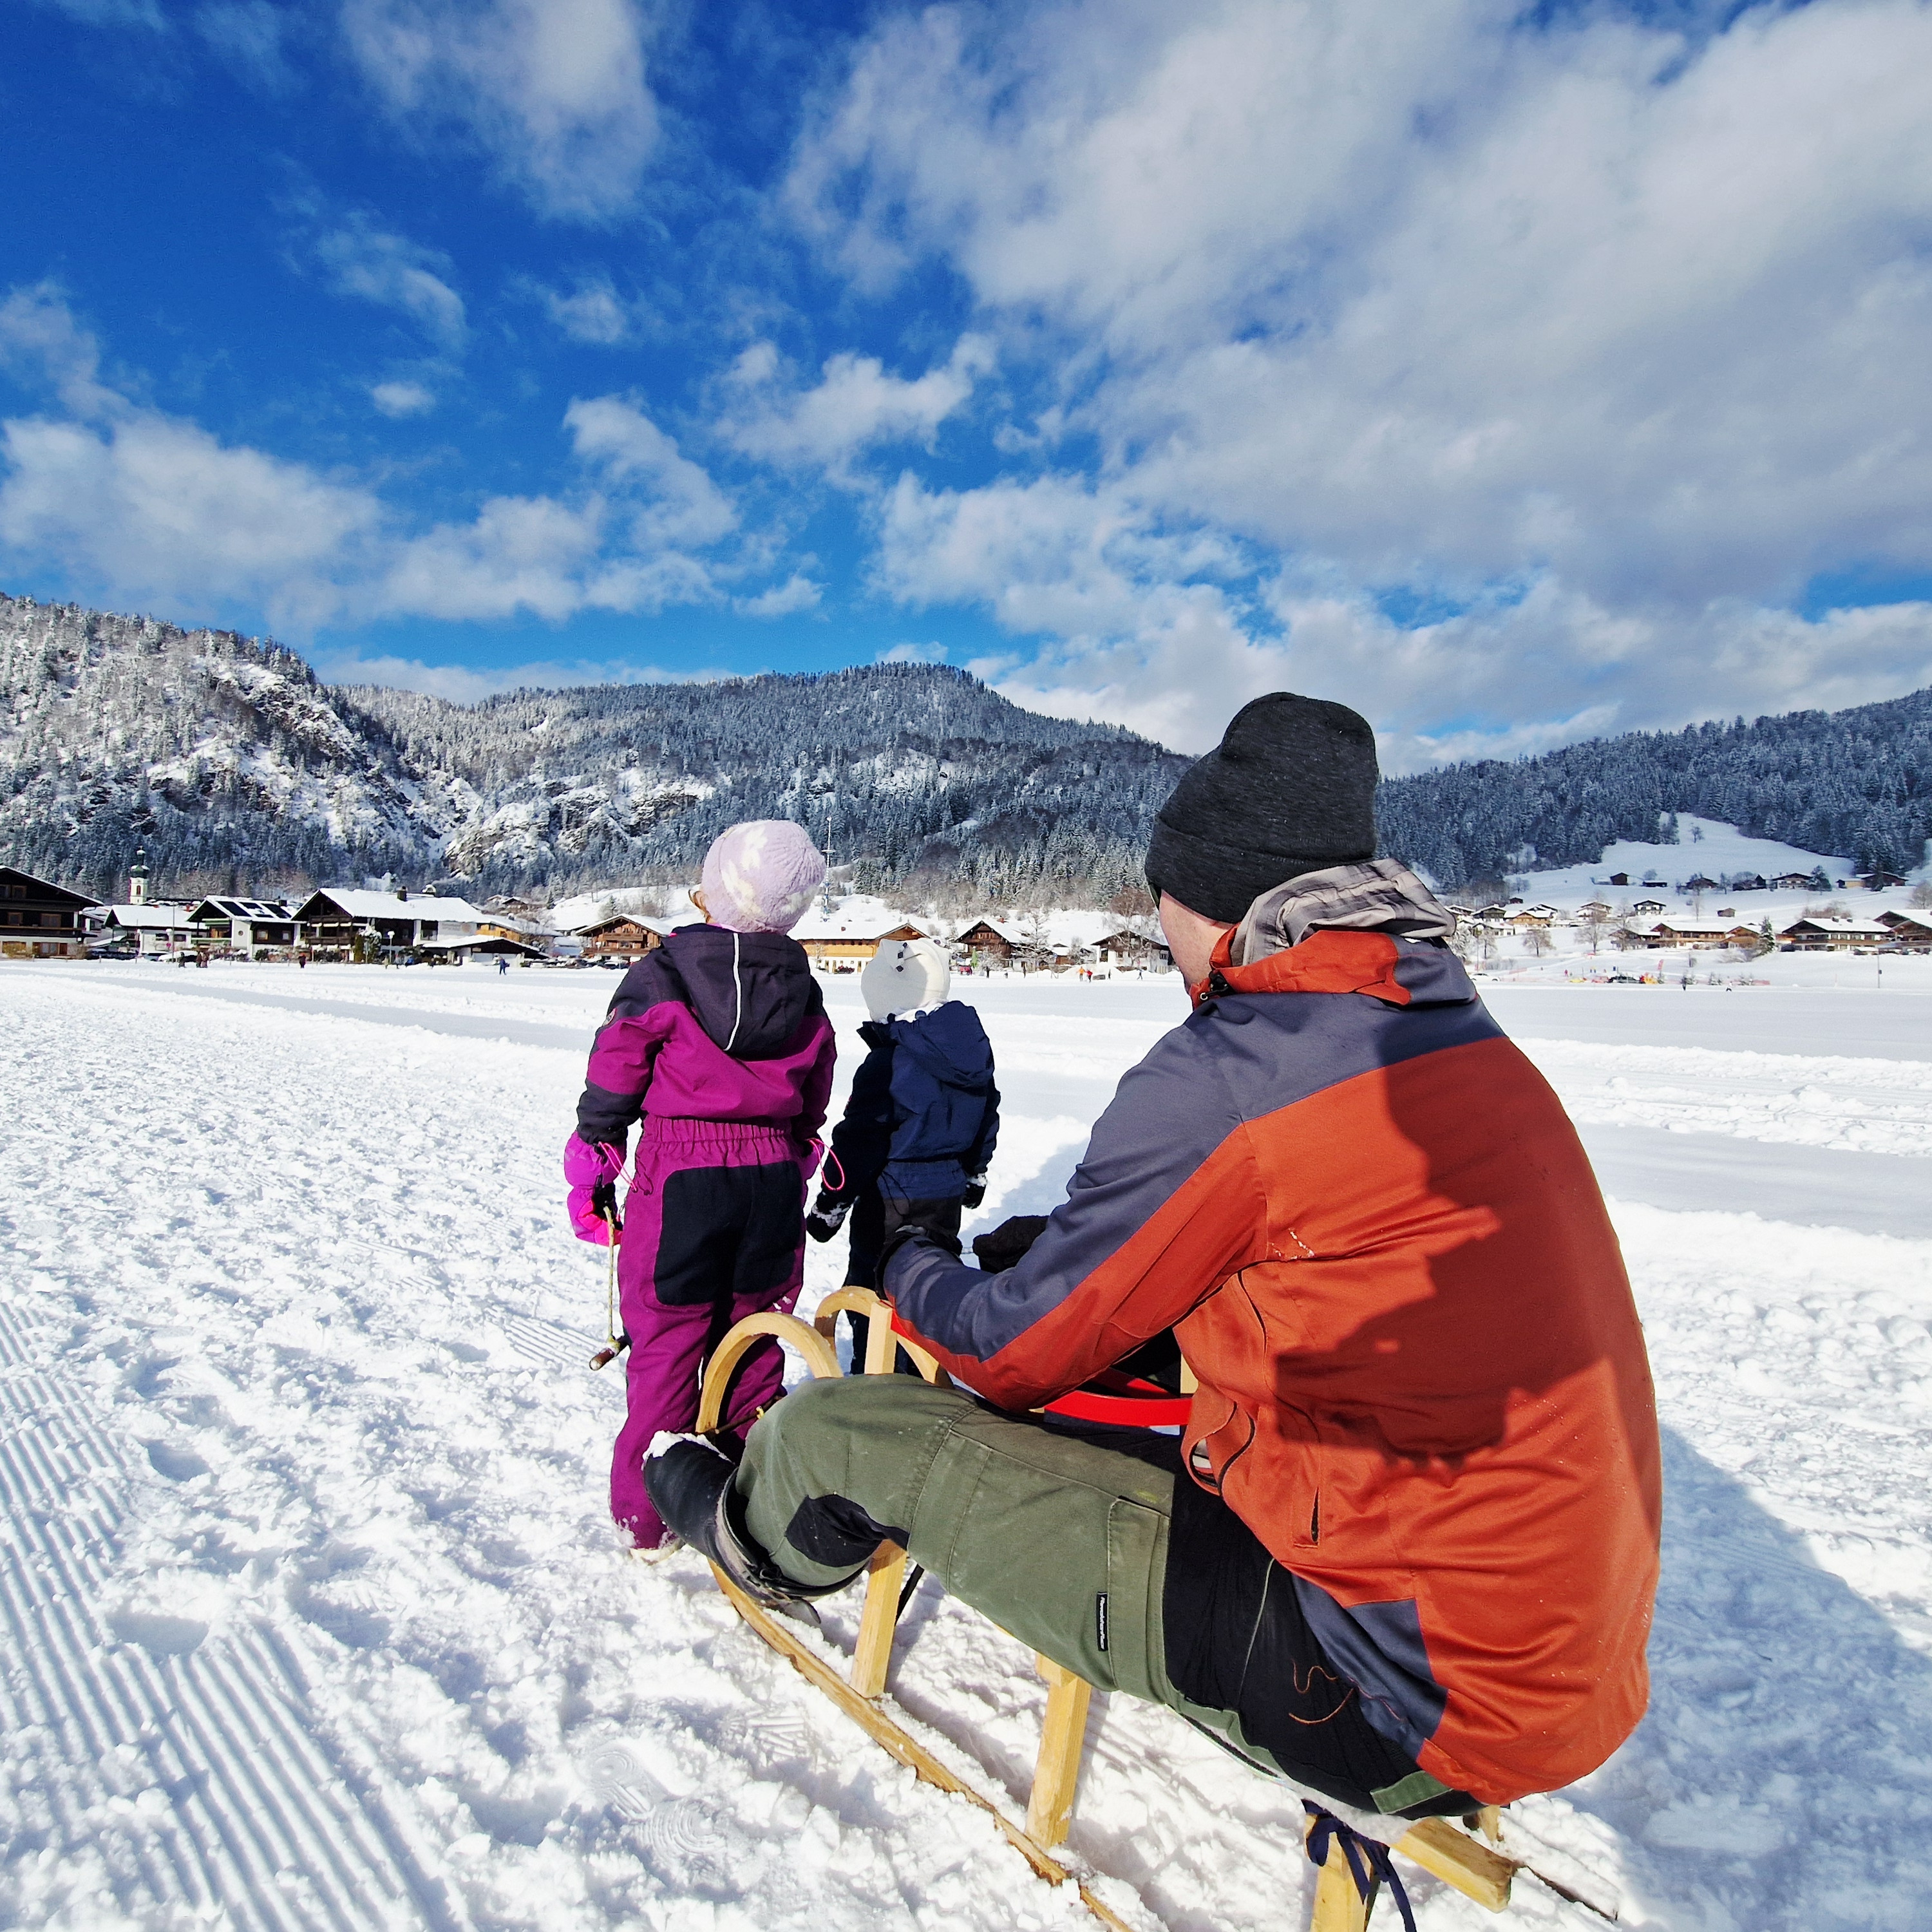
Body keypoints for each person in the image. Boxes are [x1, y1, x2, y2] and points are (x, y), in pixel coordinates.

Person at [647, 694, 1661, 1822]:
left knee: (843, 1429)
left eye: (1161, 899)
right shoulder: (1460, 1034)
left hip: (1393, 1693)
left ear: (1209, 904)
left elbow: (1012, 1352)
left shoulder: (1233, 1066)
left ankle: (750, 1539)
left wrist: (918, 1257)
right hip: (1570, 1666)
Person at [565, 820, 837, 1551]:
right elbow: (818, 1074)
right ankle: (748, 1493)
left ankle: (649, 1516)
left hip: (683, 1168)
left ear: (715, 889)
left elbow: (618, 1060)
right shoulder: (801, 984)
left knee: (669, 1335)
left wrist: (596, 1151)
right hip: (773, 1172)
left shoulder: (667, 971)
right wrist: (801, 1141)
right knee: (754, 1330)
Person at [804, 936, 999, 1312]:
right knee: (930, 1286)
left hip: (892, 1197)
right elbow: (986, 1116)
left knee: (875, 1294)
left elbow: (858, 1143)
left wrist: (831, 1203)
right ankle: (922, 1362)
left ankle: (877, 1367)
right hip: (946, 1193)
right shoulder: (969, 1053)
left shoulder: (888, 1062)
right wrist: (975, 1172)